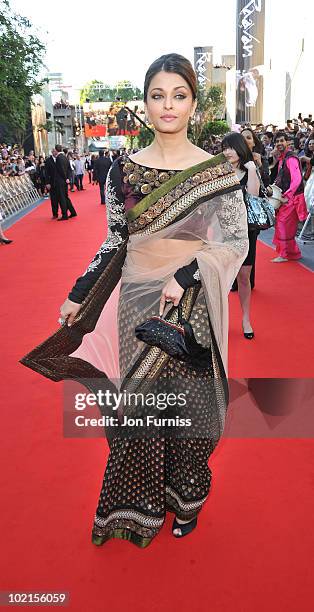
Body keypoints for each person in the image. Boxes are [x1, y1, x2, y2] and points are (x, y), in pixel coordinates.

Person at [21, 53, 248, 547]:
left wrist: (189, 274)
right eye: (158, 95)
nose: (168, 106)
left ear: (194, 104)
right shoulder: (123, 171)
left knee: (188, 413)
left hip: (190, 307)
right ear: (146, 103)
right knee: (137, 413)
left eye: (179, 95)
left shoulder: (216, 174)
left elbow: (234, 242)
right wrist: (78, 295)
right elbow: (113, 242)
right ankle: (137, 505)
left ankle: (186, 496)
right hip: (135, 302)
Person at [222, 132, 260, 339]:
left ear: (240, 148)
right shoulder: (220, 172)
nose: (227, 152)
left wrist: (252, 170)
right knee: (223, 279)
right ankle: (221, 320)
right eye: (224, 148)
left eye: (231, 147)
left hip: (246, 231)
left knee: (244, 278)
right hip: (222, 231)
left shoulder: (249, 170)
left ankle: (246, 319)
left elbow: (253, 195)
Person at [272, 132, 308, 262]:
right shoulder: (283, 158)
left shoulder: (291, 158)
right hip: (288, 197)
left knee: (283, 223)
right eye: (277, 142)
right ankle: (293, 253)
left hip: (292, 198)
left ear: (287, 142)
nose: (279, 143)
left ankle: (284, 254)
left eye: (282, 141)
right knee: (287, 225)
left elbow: (297, 179)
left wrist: (287, 195)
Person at [55, 144, 77, 220]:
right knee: (66, 197)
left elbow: (61, 169)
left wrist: (65, 178)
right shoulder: (65, 157)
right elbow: (68, 169)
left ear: (56, 150)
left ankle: (65, 215)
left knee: (62, 198)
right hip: (65, 180)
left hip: (61, 180)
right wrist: (67, 178)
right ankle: (73, 212)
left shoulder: (59, 158)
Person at [45, 148, 60, 219]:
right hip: (52, 182)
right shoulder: (48, 160)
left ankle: (64, 212)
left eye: (56, 151)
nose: (55, 152)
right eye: (53, 151)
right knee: (53, 199)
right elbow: (46, 173)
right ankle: (55, 214)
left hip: (59, 182)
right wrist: (47, 183)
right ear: (52, 152)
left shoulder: (59, 159)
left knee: (61, 198)